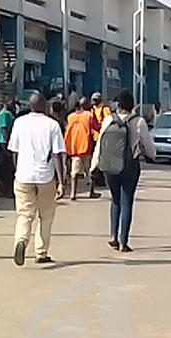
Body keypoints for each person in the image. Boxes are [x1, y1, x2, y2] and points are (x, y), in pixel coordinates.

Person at [92, 90, 156, 252]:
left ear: (118, 105)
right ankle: (123, 242)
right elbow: (148, 147)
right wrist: (152, 155)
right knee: (127, 201)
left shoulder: (108, 120)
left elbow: (100, 144)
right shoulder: (139, 122)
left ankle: (113, 236)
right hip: (130, 166)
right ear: (132, 105)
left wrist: (94, 165)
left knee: (115, 200)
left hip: (110, 166)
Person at [8, 92, 66, 266]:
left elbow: (14, 151)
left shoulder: (19, 123)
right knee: (46, 216)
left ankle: (21, 240)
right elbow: (57, 155)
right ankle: (41, 252)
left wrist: (18, 171)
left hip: (23, 176)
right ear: (44, 106)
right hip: (45, 177)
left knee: (24, 214)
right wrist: (61, 182)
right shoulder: (52, 125)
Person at [64, 97, 101, 201]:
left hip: (74, 147)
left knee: (74, 172)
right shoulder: (89, 115)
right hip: (86, 146)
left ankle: (73, 193)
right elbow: (97, 127)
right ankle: (91, 191)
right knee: (90, 169)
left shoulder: (70, 116)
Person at [0, 96, 17, 198]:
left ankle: (5, 190)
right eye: (11, 102)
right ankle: (7, 191)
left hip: (5, 142)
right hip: (5, 143)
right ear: (6, 102)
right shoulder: (4, 114)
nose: (13, 104)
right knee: (8, 168)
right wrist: (9, 143)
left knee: (6, 167)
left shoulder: (8, 114)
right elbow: (4, 129)